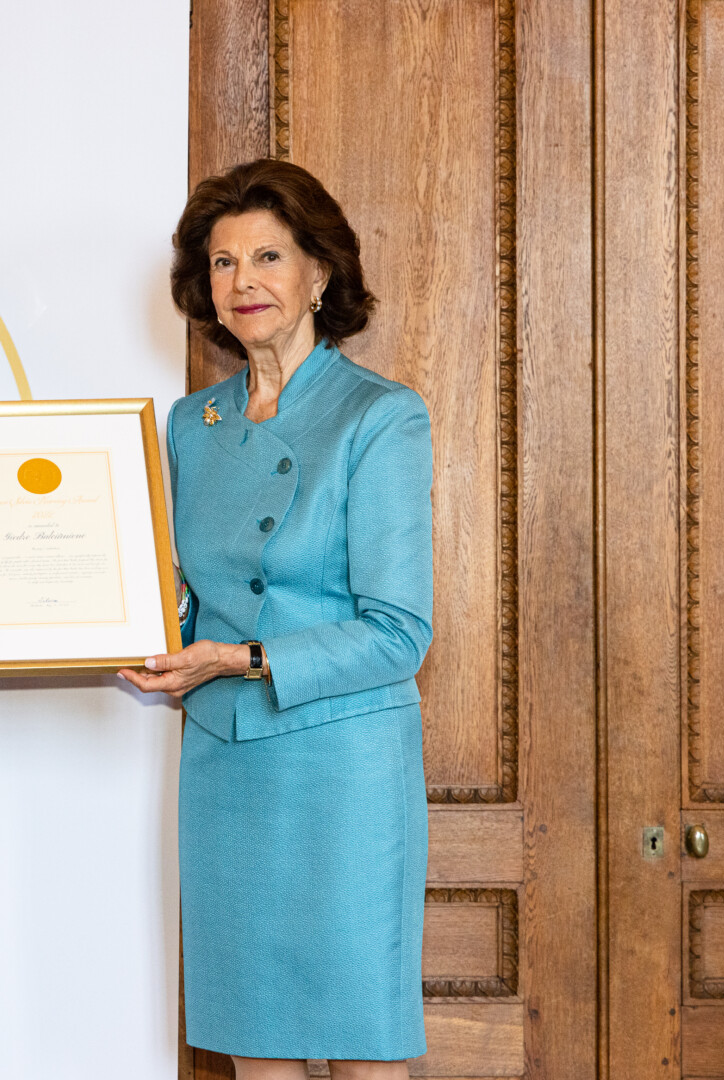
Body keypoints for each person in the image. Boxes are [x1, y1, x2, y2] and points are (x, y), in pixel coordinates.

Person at [120, 159, 433, 1079]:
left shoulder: (380, 417)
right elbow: (184, 592)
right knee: (252, 1049)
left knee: (363, 1048)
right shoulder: (191, 423)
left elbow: (399, 633)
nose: (242, 281)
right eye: (222, 263)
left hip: (342, 770)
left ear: (319, 274)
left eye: (267, 257)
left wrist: (241, 658)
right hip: (228, 765)